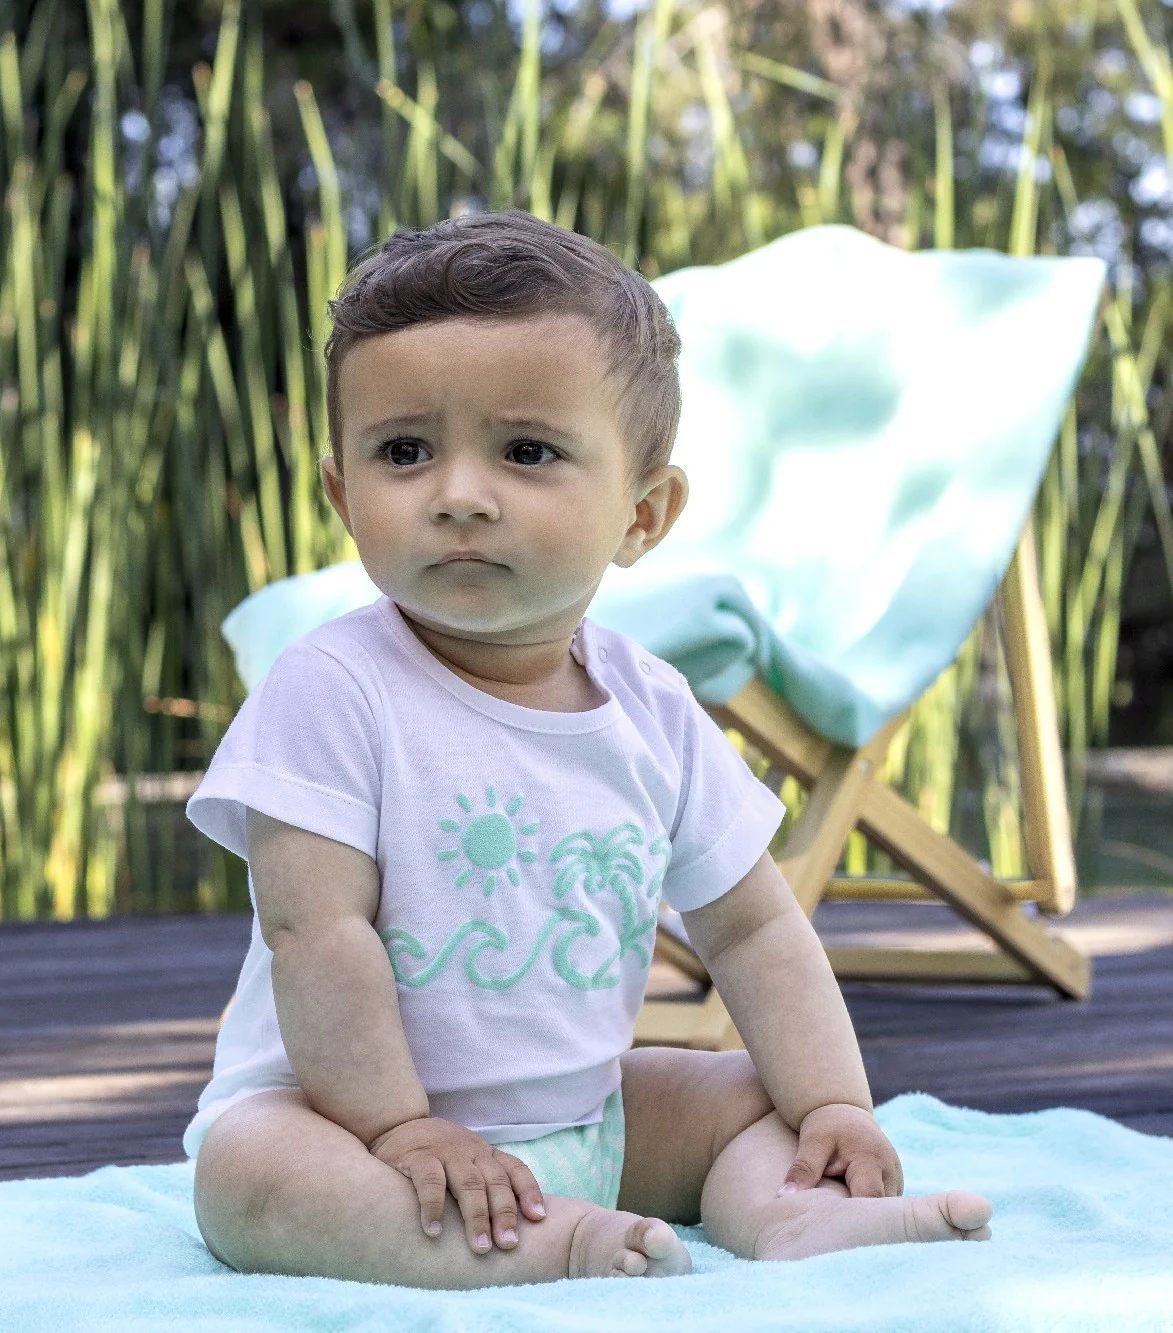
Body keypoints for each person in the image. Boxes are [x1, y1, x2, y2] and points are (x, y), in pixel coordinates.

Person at [184, 209, 993, 1289]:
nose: (458, 495)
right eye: (404, 451)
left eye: (526, 451)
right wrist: (399, 1128)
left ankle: (793, 1216)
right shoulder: (333, 689)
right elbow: (316, 933)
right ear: (343, 494)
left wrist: (834, 1103)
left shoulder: (653, 708)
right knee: (248, 1170)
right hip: (359, 1136)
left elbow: (753, 927)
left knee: (758, 1093)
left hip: (590, 1118)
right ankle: (551, 1245)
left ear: (642, 514)